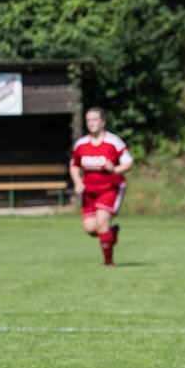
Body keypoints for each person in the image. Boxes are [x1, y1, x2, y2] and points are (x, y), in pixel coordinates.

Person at [69, 107, 133, 266]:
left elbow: (128, 162)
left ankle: (108, 262)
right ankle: (112, 234)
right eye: (88, 120)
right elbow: (74, 166)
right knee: (91, 228)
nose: (91, 123)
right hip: (89, 191)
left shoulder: (113, 142)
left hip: (110, 187)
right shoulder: (81, 144)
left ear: (103, 122)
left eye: (95, 119)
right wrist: (77, 182)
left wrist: (115, 169)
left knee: (102, 222)